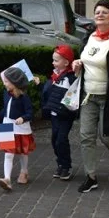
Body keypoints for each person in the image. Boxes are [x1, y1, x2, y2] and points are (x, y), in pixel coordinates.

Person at [70, 0, 109, 193]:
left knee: (107, 137)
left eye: (105, 12)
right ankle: (91, 177)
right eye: (97, 12)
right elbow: (86, 58)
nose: (99, 15)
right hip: (88, 96)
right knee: (86, 136)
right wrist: (78, 62)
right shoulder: (89, 37)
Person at [38, 44, 78, 180]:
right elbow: (50, 93)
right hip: (54, 114)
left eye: (56, 60)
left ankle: (66, 166)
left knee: (61, 140)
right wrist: (41, 85)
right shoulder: (54, 76)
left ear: (66, 62)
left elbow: (74, 94)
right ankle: (60, 163)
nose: (53, 63)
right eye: (53, 60)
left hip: (65, 115)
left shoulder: (70, 77)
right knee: (55, 140)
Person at [0, 67, 36, 191]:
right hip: (6, 125)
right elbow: (5, 109)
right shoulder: (5, 93)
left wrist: (23, 118)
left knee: (23, 152)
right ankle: (7, 178)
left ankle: (24, 171)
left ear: (15, 83)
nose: (4, 83)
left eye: (7, 81)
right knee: (8, 153)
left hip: (20, 127)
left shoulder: (24, 97)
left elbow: (30, 113)